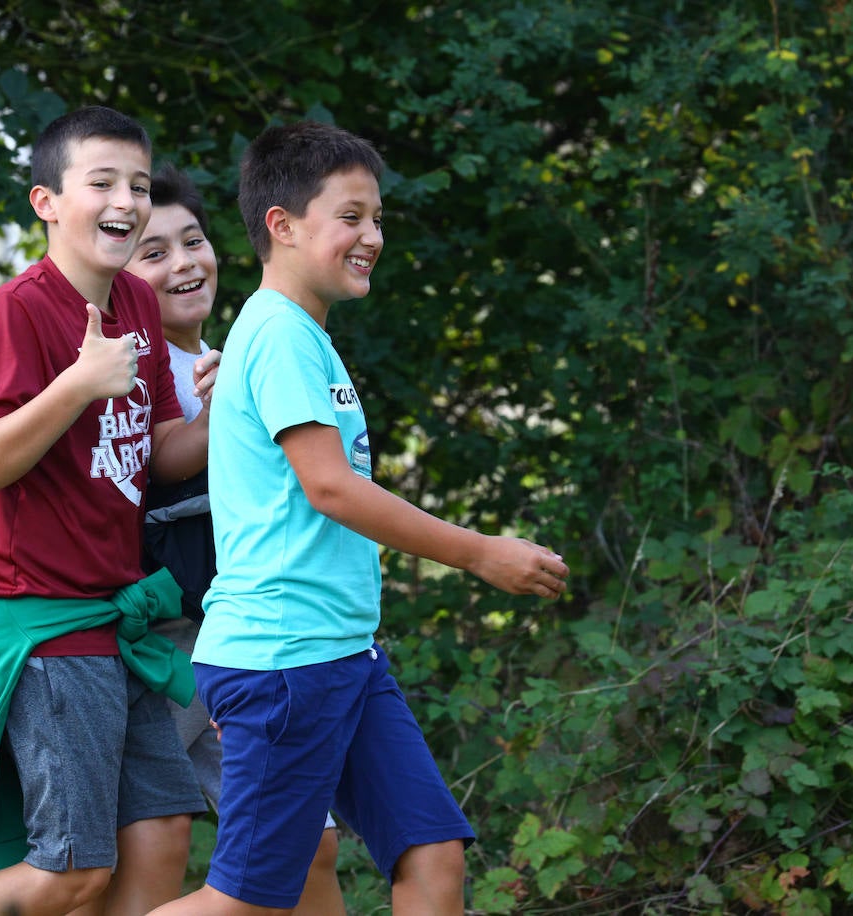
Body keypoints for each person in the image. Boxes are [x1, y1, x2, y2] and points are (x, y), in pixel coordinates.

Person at [146, 122, 570, 916]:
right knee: (243, 902)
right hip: (283, 663)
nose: (371, 236)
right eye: (350, 217)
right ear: (282, 225)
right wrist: (478, 553)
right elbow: (330, 488)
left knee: (432, 855)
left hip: (345, 654)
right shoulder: (274, 334)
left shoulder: (302, 336)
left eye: (376, 218)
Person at [0, 106, 215, 916]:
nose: (125, 200)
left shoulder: (138, 303)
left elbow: (160, 452)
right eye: (101, 183)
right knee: (72, 872)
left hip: (113, 620)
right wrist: (77, 384)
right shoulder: (22, 309)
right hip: (42, 621)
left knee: (161, 837)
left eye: (137, 184)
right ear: (46, 201)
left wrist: (229, 412)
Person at [125, 164, 345, 916]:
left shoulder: (231, 353)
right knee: (146, 850)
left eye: (194, 240)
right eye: (154, 253)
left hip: (249, 637)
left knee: (307, 844)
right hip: (174, 641)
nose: (185, 262)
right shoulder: (128, 373)